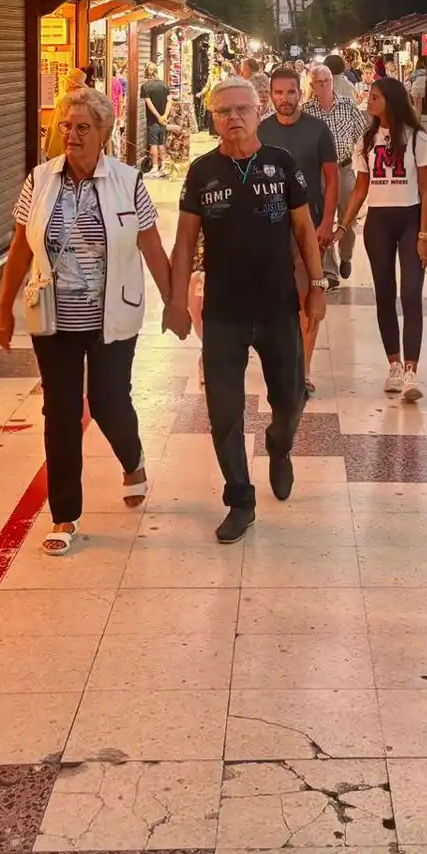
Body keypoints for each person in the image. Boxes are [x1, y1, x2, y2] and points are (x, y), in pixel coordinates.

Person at [0, 86, 172, 555]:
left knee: (110, 402)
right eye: (66, 127)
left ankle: (131, 459)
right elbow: (19, 247)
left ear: (104, 133)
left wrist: (174, 300)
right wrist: (3, 304)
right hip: (54, 317)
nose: (71, 136)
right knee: (61, 413)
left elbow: (151, 246)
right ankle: (65, 515)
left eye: (82, 128)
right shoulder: (39, 180)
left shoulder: (128, 181)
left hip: (113, 314)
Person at [167, 76, 325, 543]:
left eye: (241, 109)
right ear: (212, 119)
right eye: (222, 111)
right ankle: (240, 498)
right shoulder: (201, 172)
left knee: (290, 399)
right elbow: (183, 243)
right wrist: (177, 301)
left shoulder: (281, 164)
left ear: (258, 113)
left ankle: (279, 445)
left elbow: (305, 230)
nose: (233, 118)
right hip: (223, 313)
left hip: (277, 307)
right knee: (224, 412)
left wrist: (316, 287)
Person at [337, 75, 427, 401]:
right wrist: (343, 225)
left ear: (389, 100)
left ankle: (412, 370)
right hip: (378, 223)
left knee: (410, 294)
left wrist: (424, 234)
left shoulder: (417, 137)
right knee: (384, 294)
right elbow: (361, 188)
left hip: (410, 220)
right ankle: (393, 364)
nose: (369, 101)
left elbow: (424, 189)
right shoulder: (367, 140)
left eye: (375, 97)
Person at [260, 65, 339, 392]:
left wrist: (327, 222)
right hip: (270, 229)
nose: (285, 98)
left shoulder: (318, 131)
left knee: (310, 297)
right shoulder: (261, 131)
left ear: (300, 92)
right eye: (278, 92)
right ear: (270, 95)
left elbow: (332, 178)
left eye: (291, 92)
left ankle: (303, 371)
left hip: (309, 228)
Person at [306, 62, 365, 287]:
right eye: (318, 83)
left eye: (326, 81)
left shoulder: (347, 105)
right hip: (319, 172)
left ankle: (347, 255)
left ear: (333, 81)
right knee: (323, 220)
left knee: (347, 219)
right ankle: (329, 271)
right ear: (312, 85)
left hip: (344, 169)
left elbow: (363, 134)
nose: (323, 86)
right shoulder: (307, 111)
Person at [44, 66, 89, 158]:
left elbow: (58, 128)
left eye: (65, 81)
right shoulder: (83, 99)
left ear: (71, 84)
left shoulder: (66, 100)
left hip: (61, 147)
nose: (63, 83)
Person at [140, 65, 171, 176]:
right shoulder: (164, 85)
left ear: (147, 73)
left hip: (153, 121)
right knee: (161, 142)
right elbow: (169, 101)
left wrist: (158, 117)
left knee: (153, 143)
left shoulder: (145, 87)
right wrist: (165, 116)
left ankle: (154, 167)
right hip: (163, 120)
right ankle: (163, 166)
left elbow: (150, 105)